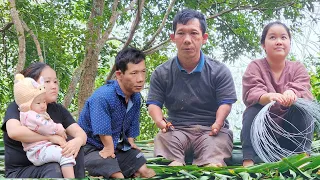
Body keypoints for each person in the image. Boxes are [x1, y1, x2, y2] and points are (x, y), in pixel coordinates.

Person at [147, 9, 237, 167]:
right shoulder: (161, 73)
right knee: (163, 138)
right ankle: (174, 163)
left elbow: (225, 103)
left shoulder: (219, 71)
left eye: (194, 33)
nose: (187, 40)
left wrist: (218, 123)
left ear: (204, 38)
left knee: (221, 140)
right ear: (173, 38)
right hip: (176, 130)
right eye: (181, 33)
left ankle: (210, 163)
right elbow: (154, 103)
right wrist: (160, 121)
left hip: (211, 131)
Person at [241, 21, 314, 167]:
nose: (279, 42)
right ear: (263, 44)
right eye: (273, 37)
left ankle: (302, 156)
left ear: (289, 43)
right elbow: (252, 91)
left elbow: (303, 87)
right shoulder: (255, 66)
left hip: (291, 136)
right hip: (263, 137)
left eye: (283, 37)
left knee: (303, 110)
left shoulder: (298, 67)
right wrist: (269, 97)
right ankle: (248, 160)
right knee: (252, 111)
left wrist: (291, 93)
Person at [78, 48, 156, 179]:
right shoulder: (103, 97)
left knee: (144, 170)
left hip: (116, 147)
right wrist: (108, 148)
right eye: (134, 73)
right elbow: (102, 130)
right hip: (89, 148)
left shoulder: (136, 97)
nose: (141, 79)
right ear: (119, 74)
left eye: (143, 72)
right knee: (117, 175)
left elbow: (132, 123)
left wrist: (130, 142)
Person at [2, 62, 87, 178]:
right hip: (21, 171)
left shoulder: (58, 109)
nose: (54, 86)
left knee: (73, 144)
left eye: (55, 81)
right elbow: (14, 132)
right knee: (53, 167)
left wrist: (77, 141)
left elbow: (80, 133)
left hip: (51, 161)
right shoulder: (20, 107)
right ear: (32, 84)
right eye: (47, 81)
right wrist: (50, 137)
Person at [13, 73, 75, 178]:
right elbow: (46, 127)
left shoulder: (35, 113)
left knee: (67, 152)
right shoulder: (31, 116)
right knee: (66, 155)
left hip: (42, 148)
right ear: (27, 104)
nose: (43, 105)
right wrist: (59, 129)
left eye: (44, 102)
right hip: (38, 151)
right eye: (38, 103)